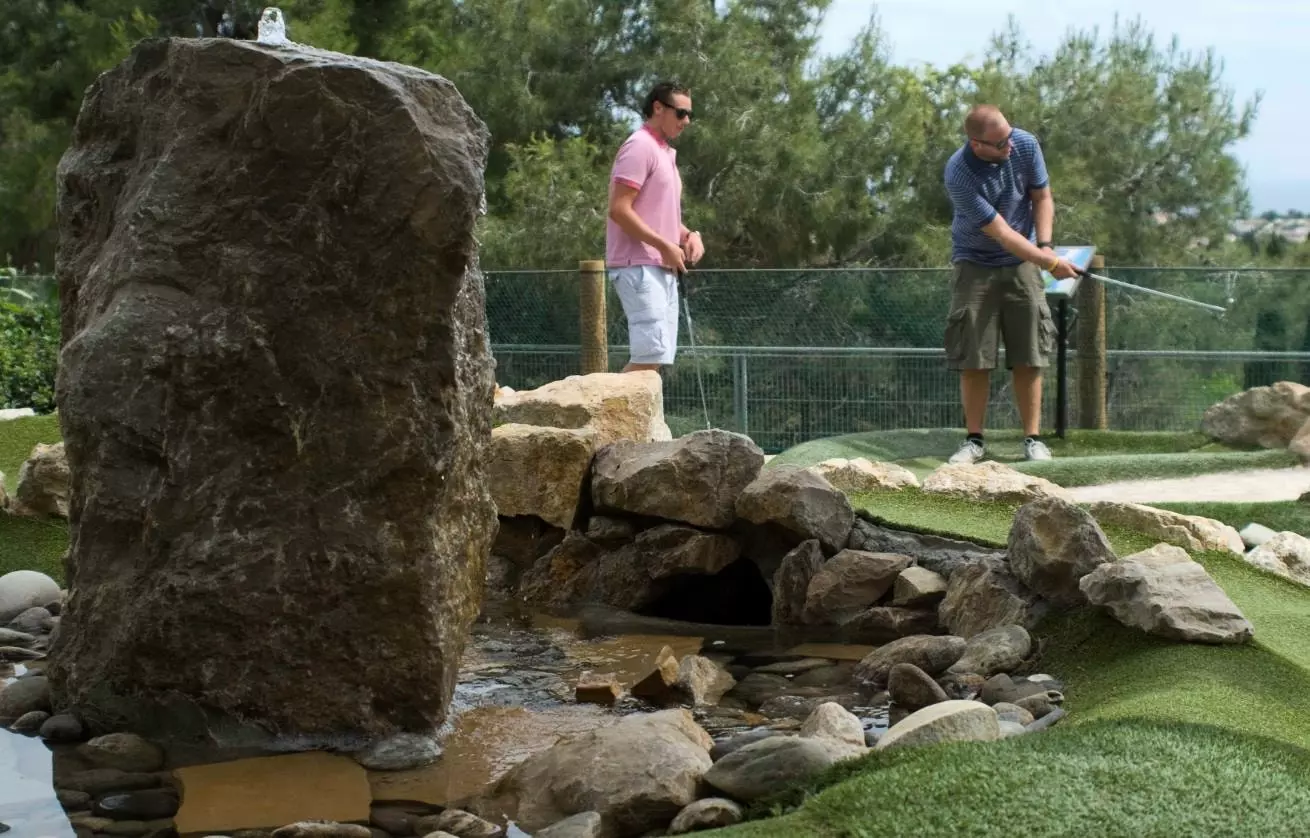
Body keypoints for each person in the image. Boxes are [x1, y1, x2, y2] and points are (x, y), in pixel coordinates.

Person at [942, 104, 1080, 465]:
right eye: (1001, 143)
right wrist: (1050, 263)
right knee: (974, 356)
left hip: (1024, 262)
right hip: (975, 263)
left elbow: (1042, 197)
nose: (1011, 146)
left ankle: (1033, 440)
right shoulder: (958, 173)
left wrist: (1045, 246)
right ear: (977, 144)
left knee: (1030, 352)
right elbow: (1002, 233)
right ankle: (974, 441)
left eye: (1010, 134)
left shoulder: (1025, 144)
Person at [605, 81, 705, 373]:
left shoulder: (665, 153)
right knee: (649, 356)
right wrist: (664, 246)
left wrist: (688, 235)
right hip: (637, 265)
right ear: (658, 108)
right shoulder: (639, 146)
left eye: (690, 115)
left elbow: (659, 214)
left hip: (660, 266)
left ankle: (623, 405)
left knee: (657, 357)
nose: (687, 121)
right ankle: (606, 405)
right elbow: (619, 210)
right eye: (681, 113)